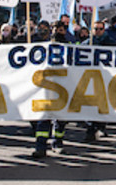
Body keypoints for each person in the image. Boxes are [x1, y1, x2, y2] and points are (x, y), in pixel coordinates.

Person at [32, 22, 71, 158]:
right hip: (46, 89)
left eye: (59, 30)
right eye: (54, 30)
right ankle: (40, 147)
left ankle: (57, 143)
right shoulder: (43, 46)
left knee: (60, 119)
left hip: (63, 88)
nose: (56, 32)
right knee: (43, 118)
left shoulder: (69, 47)